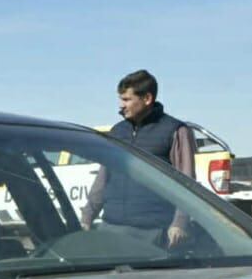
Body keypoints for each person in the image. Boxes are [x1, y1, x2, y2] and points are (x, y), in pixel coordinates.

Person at [79, 69, 196, 248]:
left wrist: (180, 223)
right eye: (120, 99)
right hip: (111, 228)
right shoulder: (117, 132)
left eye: (126, 99)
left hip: (153, 233)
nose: (121, 105)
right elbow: (103, 179)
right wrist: (87, 217)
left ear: (147, 99)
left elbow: (186, 182)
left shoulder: (175, 131)